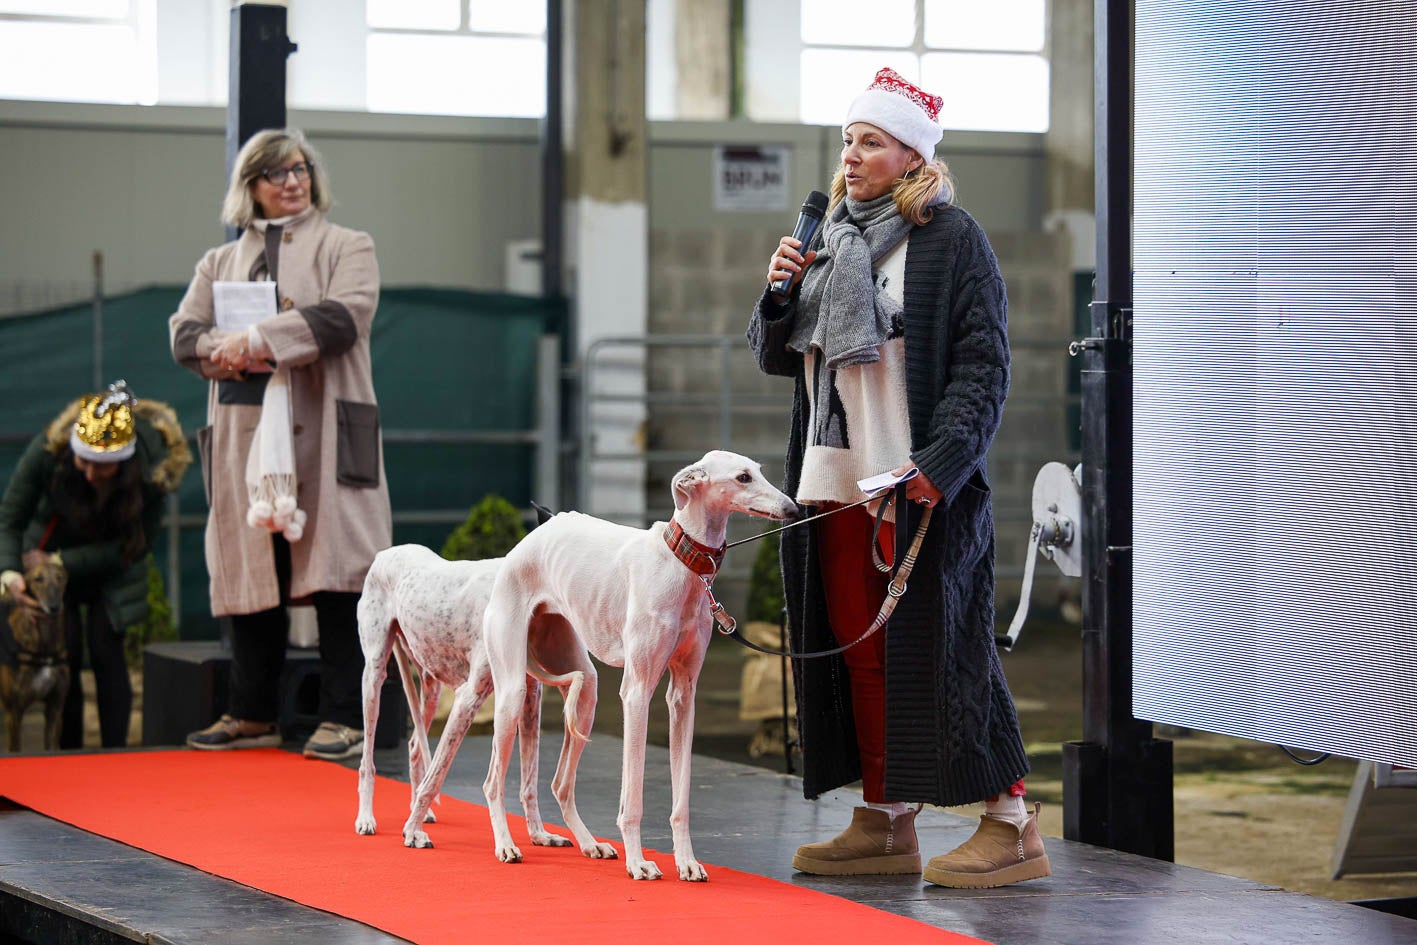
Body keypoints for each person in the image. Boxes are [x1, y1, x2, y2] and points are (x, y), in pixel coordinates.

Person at [746, 67, 1050, 888]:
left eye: (869, 141)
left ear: (911, 154)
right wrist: (779, 293)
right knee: (862, 652)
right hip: (834, 475)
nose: (850, 155)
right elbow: (779, 358)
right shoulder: (827, 237)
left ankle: (1011, 822)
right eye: (846, 139)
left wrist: (938, 464)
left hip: (914, 481)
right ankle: (886, 819)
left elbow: (983, 368)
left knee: (948, 652)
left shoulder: (953, 240)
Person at [168, 127, 391, 761]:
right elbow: (185, 334)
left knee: (338, 569)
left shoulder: (350, 245)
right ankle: (251, 714)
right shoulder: (218, 262)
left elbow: (345, 318)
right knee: (251, 568)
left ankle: (347, 715)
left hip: (326, 425)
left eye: (299, 169)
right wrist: (221, 348)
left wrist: (258, 337)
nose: (292, 181)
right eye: (276, 174)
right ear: (251, 189)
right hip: (245, 430)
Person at [0, 381, 191, 749]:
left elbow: (138, 547)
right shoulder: (47, 452)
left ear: (125, 462)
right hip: (52, 571)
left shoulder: (153, 471)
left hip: (113, 566)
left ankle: (114, 751)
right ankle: (69, 755)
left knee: (107, 648)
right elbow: (10, 517)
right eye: (83, 460)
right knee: (64, 650)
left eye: (102, 466)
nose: (90, 473)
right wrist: (10, 574)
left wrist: (62, 560)